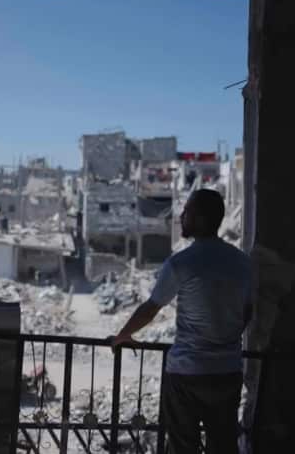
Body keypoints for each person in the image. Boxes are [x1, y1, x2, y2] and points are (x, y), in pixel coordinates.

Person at [110, 189, 253, 454]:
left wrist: (122, 335)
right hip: (227, 371)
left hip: (188, 374)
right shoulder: (243, 263)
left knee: (181, 446)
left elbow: (151, 308)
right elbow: (248, 311)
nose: (181, 217)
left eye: (186, 212)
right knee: (223, 445)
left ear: (199, 218)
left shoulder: (182, 263)